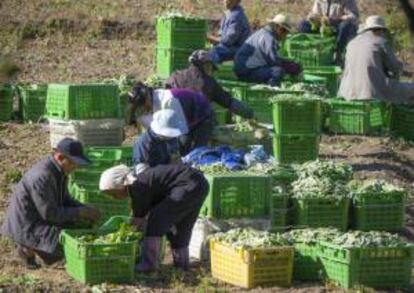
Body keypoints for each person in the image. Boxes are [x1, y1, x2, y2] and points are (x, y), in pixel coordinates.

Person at [0, 138, 101, 268]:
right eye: (73, 163)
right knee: (66, 247)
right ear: (60, 157)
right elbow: (50, 214)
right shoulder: (43, 177)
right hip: (27, 225)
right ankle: (27, 248)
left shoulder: (59, 171)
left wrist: (84, 208)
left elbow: (65, 200)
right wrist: (80, 212)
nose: (75, 167)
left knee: (80, 231)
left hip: (40, 217)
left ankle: (36, 247)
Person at [99, 163, 209, 272]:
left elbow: (138, 219)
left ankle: (149, 264)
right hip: (199, 184)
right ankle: (182, 263)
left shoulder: (138, 185)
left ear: (120, 184)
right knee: (181, 226)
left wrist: (129, 235)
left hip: (186, 184)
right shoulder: (142, 181)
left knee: (155, 221)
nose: (113, 198)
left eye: (112, 193)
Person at [338, 15, 414, 103]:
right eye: (383, 31)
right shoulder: (381, 42)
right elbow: (394, 67)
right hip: (371, 92)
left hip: (347, 92)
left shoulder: (351, 44)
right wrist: (403, 67)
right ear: (380, 30)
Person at [165, 50, 254, 120]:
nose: (211, 71)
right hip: (197, 124)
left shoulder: (175, 76)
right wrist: (250, 114)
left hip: (174, 121)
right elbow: (228, 101)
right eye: (211, 67)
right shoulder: (209, 82)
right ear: (205, 65)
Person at [128, 83, 214, 155]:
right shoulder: (154, 102)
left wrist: (179, 153)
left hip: (203, 117)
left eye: (142, 105)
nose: (143, 108)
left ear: (147, 98)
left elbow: (182, 132)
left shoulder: (169, 101)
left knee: (196, 152)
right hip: (187, 117)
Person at [234, 14, 302, 86]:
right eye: (283, 30)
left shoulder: (264, 33)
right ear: (276, 27)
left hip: (247, 68)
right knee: (278, 72)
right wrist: (291, 66)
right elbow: (274, 61)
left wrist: (288, 63)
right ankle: (272, 90)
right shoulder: (268, 38)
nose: (284, 35)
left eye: (286, 32)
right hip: (247, 71)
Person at [298, 0, 359, 65]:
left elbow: (354, 16)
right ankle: (309, 51)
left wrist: (338, 19)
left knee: (345, 26)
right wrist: (314, 18)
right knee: (303, 24)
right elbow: (315, 13)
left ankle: (338, 54)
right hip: (323, 26)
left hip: (338, 26)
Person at [207, 0, 251, 64]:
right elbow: (222, 33)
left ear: (236, 1)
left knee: (216, 51)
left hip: (238, 48)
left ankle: (210, 71)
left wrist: (212, 39)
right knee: (210, 50)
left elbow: (228, 41)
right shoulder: (228, 13)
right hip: (230, 46)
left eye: (229, 0)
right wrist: (213, 36)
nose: (225, 2)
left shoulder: (236, 16)